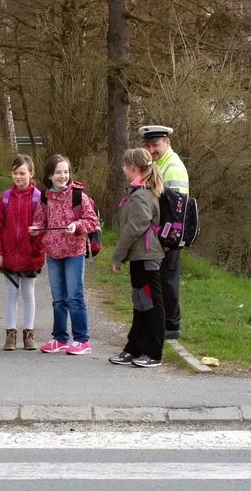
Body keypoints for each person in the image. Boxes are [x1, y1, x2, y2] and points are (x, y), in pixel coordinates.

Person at [29, 154, 99, 355]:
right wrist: (36, 229)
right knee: (58, 297)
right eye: (58, 172)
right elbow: (41, 221)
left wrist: (76, 225)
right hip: (53, 253)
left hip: (74, 252)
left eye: (66, 172)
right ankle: (59, 338)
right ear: (50, 175)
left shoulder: (79, 196)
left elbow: (92, 221)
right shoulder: (44, 197)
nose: (63, 176)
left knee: (74, 296)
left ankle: (81, 340)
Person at [110, 148, 166, 368]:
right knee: (141, 304)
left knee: (152, 305)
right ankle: (134, 348)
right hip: (140, 256)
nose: (123, 170)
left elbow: (135, 228)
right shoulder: (139, 192)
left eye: (125, 166)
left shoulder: (142, 195)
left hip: (148, 256)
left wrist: (117, 256)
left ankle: (153, 352)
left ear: (133, 168)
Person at [0, 154, 45, 351]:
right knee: (11, 293)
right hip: (9, 257)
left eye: (22, 173)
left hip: (31, 256)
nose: (18, 177)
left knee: (28, 293)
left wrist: (37, 247)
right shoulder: (5, 198)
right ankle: (10, 334)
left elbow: (43, 227)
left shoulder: (39, 198)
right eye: (15, 173)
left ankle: (29, 334)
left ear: (31, 174)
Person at [139, 124, 189, 339]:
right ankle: (164, 321)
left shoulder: (173, 167)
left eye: (156, 145)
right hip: (160, 232)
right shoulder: (160, 163)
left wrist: (168, 239)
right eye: (148, 145)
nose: (152, 150)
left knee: (167, 279)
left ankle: (171, 325)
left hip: (169, 234)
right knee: (161, 278)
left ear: (167, 143)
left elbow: (177, 208)